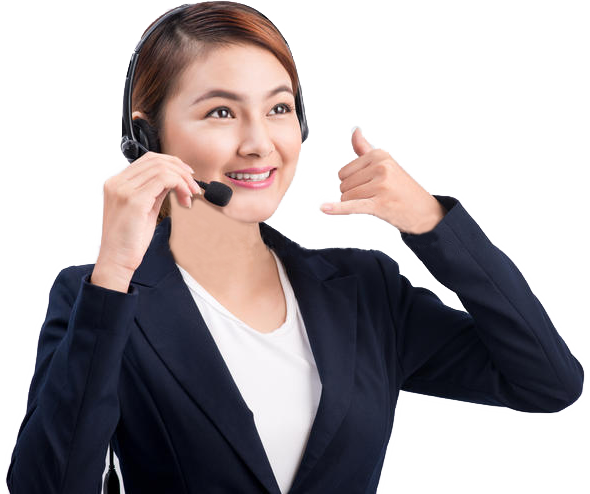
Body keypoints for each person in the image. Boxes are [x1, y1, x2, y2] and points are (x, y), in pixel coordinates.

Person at [6, 2, 584, 493]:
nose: (260, 143)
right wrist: (114, 274)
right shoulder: (99, 297)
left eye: (279, 108)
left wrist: (432, 224)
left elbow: (548, 382)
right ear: (147, 136)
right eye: (222, 112)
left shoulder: (364, 291)